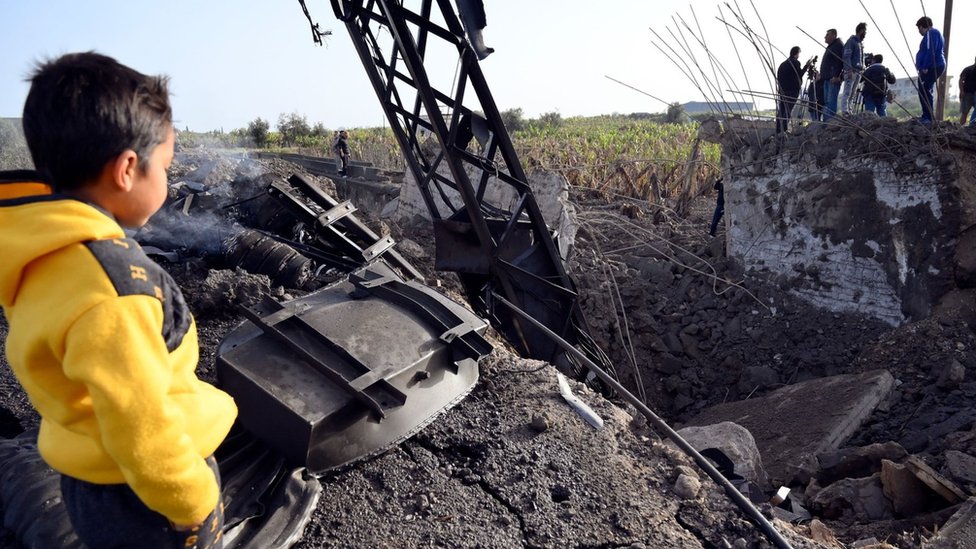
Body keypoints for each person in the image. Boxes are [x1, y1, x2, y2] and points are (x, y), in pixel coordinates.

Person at [0, 52, 237, 548]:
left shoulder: (41, 253)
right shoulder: (112, 292)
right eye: (166, 167)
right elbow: (141, 426)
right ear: (128, 169)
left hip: (87, 474)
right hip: (143, 496)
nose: (169, 183)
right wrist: (192, 505)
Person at [915, 16, 946, 124]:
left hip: (932, 66)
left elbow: (930, 50)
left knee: (924, 89)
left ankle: (927, 117)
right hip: (936, 65)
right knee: (926, 88)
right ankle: (927, 115)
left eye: (919, 29)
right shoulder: (937, 34)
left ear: (922, 26)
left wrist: (925, 66)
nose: (919, 31)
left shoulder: (930, 33)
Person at [839, 23, 867, 115]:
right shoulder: (851, 41)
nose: (866, 33)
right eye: (865, 31)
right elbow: (846, 56)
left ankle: (849, 110)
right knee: (847, 92)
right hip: (852, 71)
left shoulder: (860, 44)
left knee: (853, 93)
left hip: (858, 71)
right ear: (861, 30)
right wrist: (849, 69)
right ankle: (845, 110)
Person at [776, 47, 804, 133]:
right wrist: (806, 67)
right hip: (792, 91)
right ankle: (783, 129)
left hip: (783, 91)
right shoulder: (795, 63)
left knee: (782, 110)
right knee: (788, 110)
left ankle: (778, 129)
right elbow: (800, 74)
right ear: (797, 53)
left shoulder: (783, 64)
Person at [820, 28, 845, 121]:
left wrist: (837, 76)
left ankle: (830, 122)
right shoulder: (832, 46)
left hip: (832, 78)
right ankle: (827, 122)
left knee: (831, 102)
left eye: (827, 35)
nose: (825, 37)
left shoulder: (838, 45)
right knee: (827, 101)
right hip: (827, 78)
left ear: (834, 35)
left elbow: (840, 62)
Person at [958, 57, 976, 125]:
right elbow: (961, 80)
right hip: (967, 93)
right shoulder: (968, 69)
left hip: (974, 94)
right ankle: (960, 129)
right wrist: (961, 91)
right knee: (964, 113)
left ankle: (972, 126)